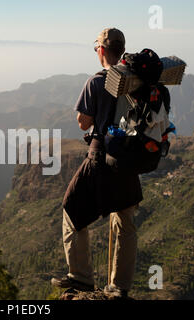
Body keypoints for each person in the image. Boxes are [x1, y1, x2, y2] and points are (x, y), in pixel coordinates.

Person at [51, 28, 142, 299]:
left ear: (102, 50)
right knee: (124, 220)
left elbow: (83, 122)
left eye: (96, 48)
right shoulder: (138, 80)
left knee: (71, 208)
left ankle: (80, 277)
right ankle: (119, 287)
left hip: (101, 156)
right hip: (129, 158)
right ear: (121, 50)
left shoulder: (96, 82)